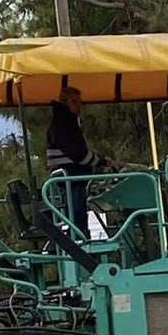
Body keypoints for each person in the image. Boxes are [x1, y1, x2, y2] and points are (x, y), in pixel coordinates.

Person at [44, 86, 98, 238]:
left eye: (80, 102)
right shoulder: (64, 124)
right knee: (77, 221)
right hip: (71, 179)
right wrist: (104, 162)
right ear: (64, 102)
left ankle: (79, 239)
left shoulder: (63, 122)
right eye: (75, 101)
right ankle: (80, 242)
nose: (79, 106)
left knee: (75, 218)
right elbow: (79, 155)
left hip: (69, 180)